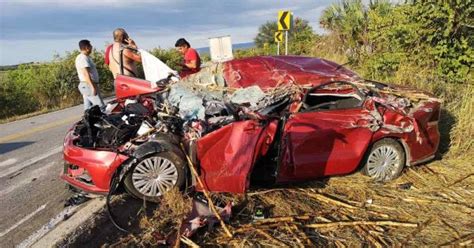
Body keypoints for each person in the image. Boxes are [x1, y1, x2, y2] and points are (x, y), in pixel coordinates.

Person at [75, 40, 105, 111]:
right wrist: (92, 87)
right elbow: (86, 73)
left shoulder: (85, 57)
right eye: (90, 46)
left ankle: (88, 121)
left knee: (88, 108)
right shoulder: (83, 58)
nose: (92, 47)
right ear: (86, 47)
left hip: (86, 85)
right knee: (101, 107)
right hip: (88, 85)